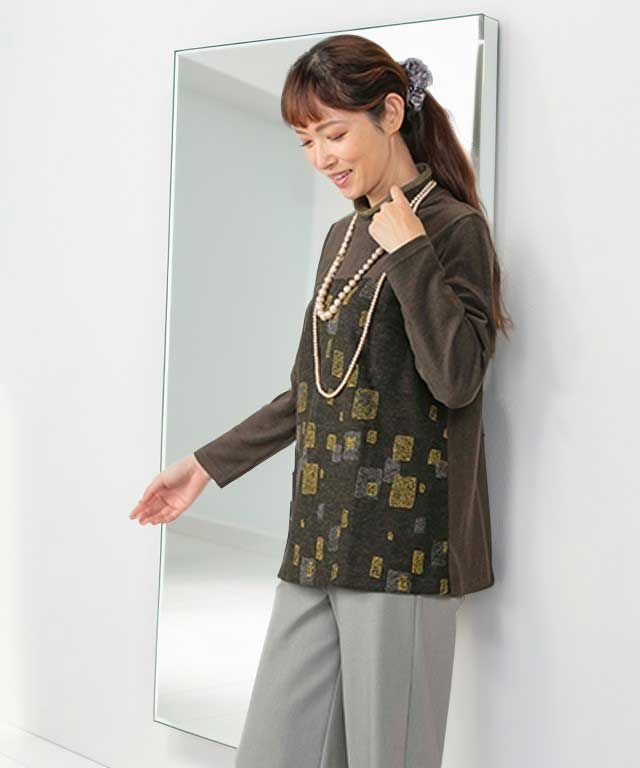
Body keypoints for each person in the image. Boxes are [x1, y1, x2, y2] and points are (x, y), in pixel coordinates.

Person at [130, 33, 512, 768]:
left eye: (334, 134)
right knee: (275, 751)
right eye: (306, 141)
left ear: (391, 114)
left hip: (404, 543)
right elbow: (312, 390)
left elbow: (458, 379)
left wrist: (410, 251)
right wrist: (205, 466)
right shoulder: (341, 234)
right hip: (319, 529)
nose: (321, 157)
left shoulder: (452, 228)